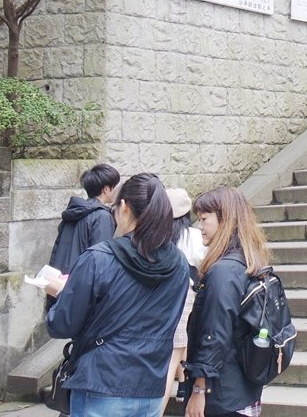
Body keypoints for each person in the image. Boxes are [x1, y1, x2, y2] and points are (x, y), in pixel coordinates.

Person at [45, 173, 190, 417]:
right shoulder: (179, 264)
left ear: (123, 207)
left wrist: (62, 294)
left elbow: (62, 324)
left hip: (100, 382)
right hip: (151, 385)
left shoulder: (98, 258)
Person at [184, 187, 272, 417]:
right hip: (242, 389)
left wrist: (198, 389)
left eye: (204, 219)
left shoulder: (223, 271)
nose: (199, 226)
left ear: (225, 220)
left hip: (221, 393)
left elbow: (214, 334)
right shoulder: (248, 261)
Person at [45, 163, 120, 312]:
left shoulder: (74, 212)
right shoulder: (102, 217)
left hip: (61, 285)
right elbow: (101, 261)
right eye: (116, 186)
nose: (118, 190)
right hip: (83, 291)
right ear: (106, 189)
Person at [162, 188, 207, 416]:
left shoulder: (157, 236)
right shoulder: (194, 236)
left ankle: (182, 382)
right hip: (186, 297)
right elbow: (204, 262)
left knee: (174, 352)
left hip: (161, 302)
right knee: (173, 357)